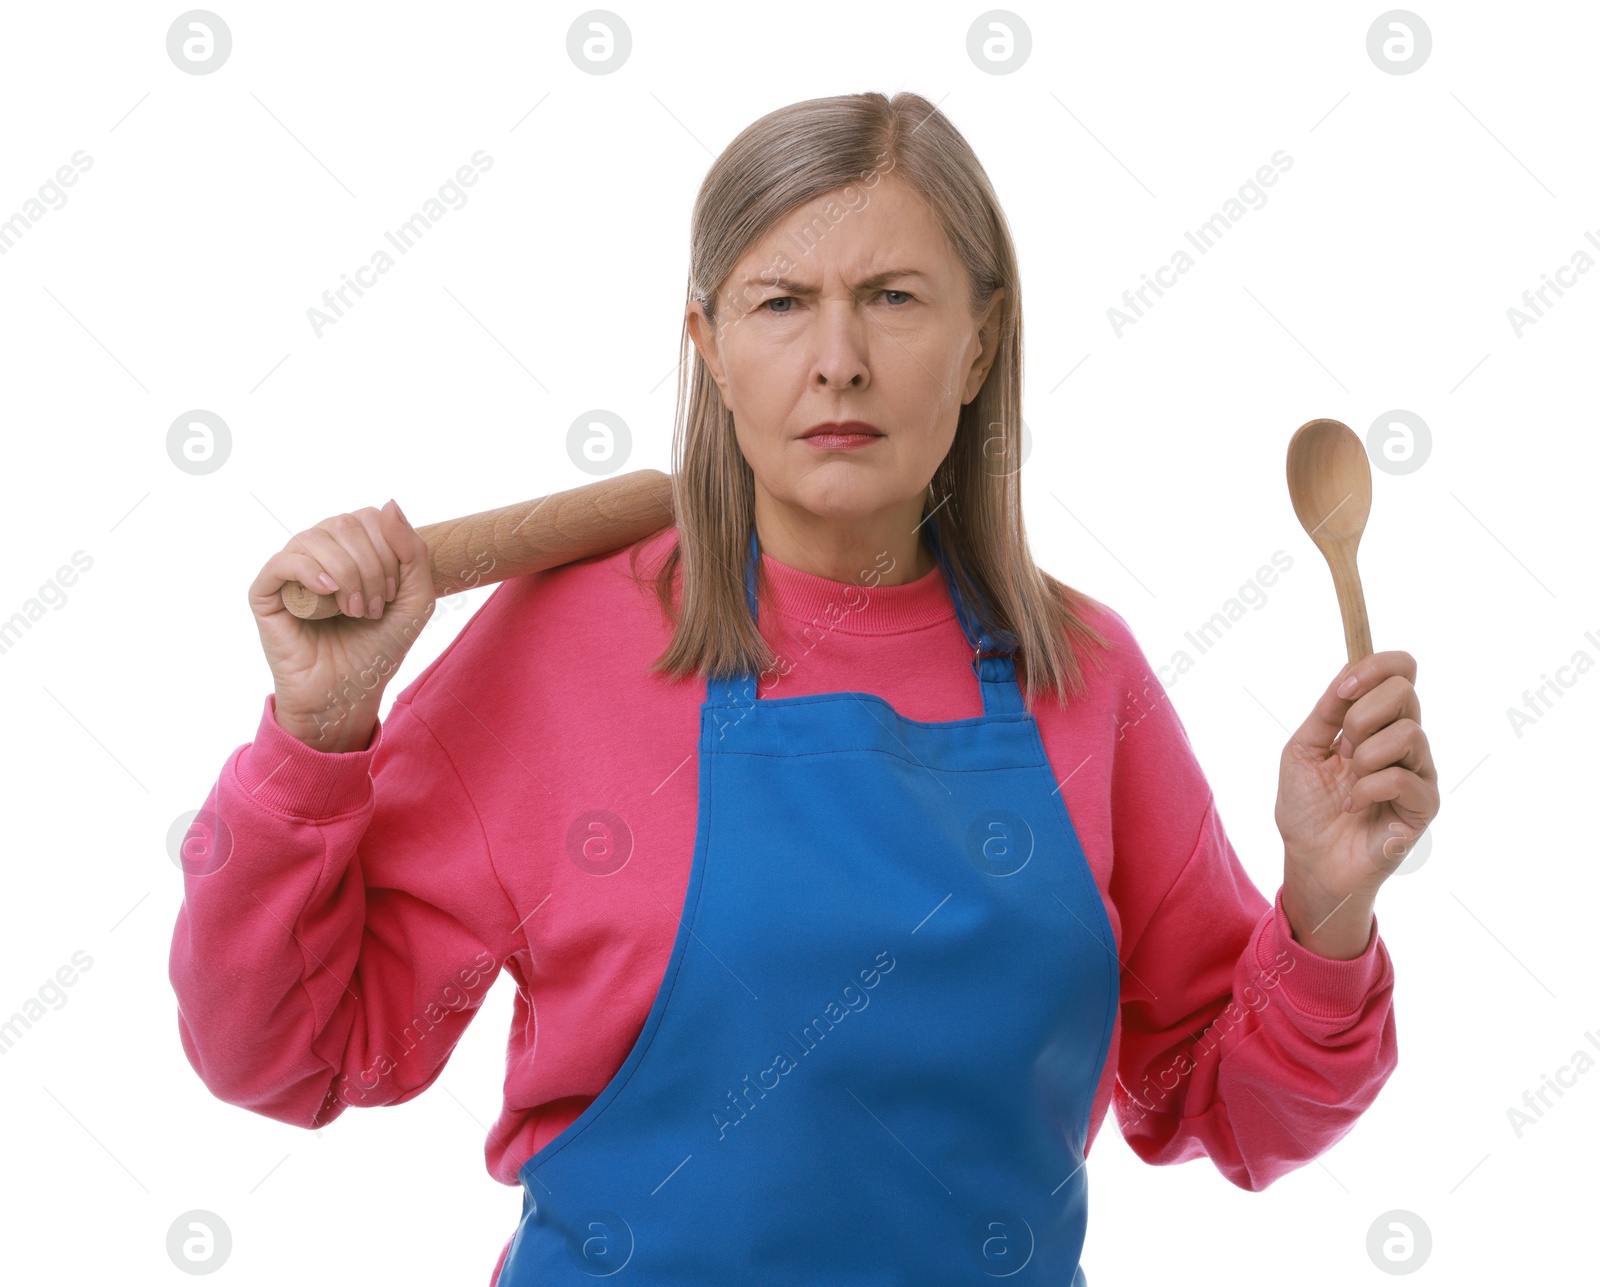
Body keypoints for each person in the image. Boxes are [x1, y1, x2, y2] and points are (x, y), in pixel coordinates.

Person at [168, 90, 1438, 1285]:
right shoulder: (559, 645)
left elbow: (1222, 1109)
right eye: (781, 303)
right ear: (707, 347)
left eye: (892, 296)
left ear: (980, 339)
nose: (837, 359)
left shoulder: (1084, 675)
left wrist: (1324, 911)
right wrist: (316, 739)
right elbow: (291, 1057)